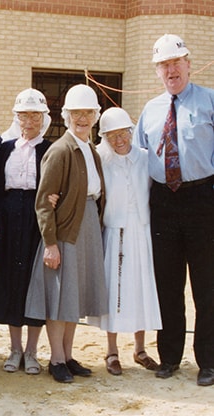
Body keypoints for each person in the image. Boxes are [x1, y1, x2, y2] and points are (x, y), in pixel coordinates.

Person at [133, 34, 214, 386]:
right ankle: (169, 358)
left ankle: (209, 362)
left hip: (203, 198)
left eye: (176, 63)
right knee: (167, 283)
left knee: (207, 285)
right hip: (163, 201)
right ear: (157, 70)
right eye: (164, 65)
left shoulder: (209, 102)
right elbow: (137, 162)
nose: (171, 70)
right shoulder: (150, 111)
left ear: (188, 64)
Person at [25, 84, 108, 383]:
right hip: (65, 231)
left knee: (73, 296)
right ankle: (56, 358)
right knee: (59, 297)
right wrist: (50, 244)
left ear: (96, 116)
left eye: (88, 113)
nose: (82, 118)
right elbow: (43, 202)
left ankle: (69, 356)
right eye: (76, 113)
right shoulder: (60, 150)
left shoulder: (90, 149)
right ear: (66, 116)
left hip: (86, 226)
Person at [0, 88, 52, 374]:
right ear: (17, 117)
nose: (29, 121)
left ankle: (33, 352)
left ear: (43, 117)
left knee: (33, 282)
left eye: (35, 115)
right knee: (11, 280)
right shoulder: (6, 148)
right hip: (9, 218)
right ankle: (14, 349)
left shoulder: (50, 149)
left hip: (37, 218)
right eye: (24, 115)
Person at [95, 107, 162, 375]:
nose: (119, 140)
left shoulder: (146, 158)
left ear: (131, 132)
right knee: (114, 290)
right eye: (112, 135)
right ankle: (111, 351)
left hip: (141, 231)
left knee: (140, 288)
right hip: (114, 231)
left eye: (123, 133)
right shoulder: (101, 159)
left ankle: (140, 348)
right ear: (105, 137)